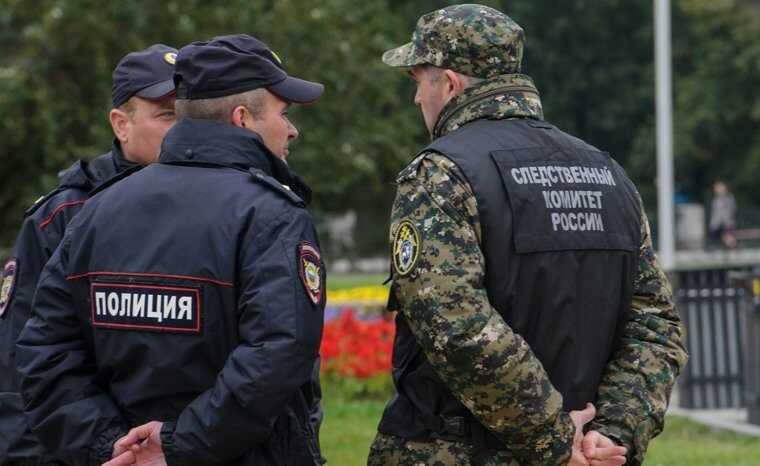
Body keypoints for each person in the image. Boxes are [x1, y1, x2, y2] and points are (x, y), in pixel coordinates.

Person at [368, 5, 687, 466]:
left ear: (450, 83)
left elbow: (457, 327)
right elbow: (656, 327)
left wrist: (554, 439)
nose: (417, 98)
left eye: (419, 79)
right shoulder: (607, 174)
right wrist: (611, 432)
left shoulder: (441, 175)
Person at [15, 34, 326, 466]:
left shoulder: (97, 209)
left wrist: (112, 446)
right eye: (283, 113)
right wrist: (175, 447)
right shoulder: (271, 213)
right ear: (242, 119)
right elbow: (278, 354)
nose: (291, 128)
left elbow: (44, 352)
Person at [0, 43, 177, 465]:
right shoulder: (61, 218)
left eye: (191, 115)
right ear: (121, 124)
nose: (183, 129)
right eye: (167, 115)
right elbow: (17, 369)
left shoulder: (231, 210)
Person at [708, 180, 737, 248]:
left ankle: (732, 247)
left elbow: (732, 210)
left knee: (728, 237)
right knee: (715, 237)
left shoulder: (729, 198)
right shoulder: (716, 200)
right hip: (717, 224)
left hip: (726, 223)